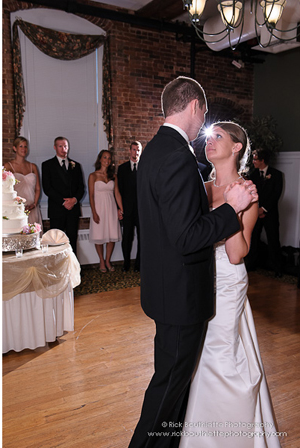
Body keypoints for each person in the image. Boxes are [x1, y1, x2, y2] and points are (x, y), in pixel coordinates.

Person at [130, 76, 257, 448]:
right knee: (166, 392)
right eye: (203, 113)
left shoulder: (155, 150)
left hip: (168, 288)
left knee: (174, 389)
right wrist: (231, 209)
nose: (204, 124)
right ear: (194, 107)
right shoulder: (177, 156)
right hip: (181, 295)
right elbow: (186, 237)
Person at [181, 122, 281, 447]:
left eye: (218, 136)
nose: (209, 142)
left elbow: (237, 254)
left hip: (226, 281)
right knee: (194, 356)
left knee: (218, 355)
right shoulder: (202, 187)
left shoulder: (248, 192)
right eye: (208, 137)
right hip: (196, 277)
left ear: (237, 147)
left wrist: (235, 208)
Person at [41, 137, 85, 256]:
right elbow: (47, 188)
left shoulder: (76, 165)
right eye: (60, 146)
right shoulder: (47, 165)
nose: (63, 149)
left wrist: (74, 200)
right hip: (57, 209)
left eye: (65, 146)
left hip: (73, 210)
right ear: (55, 147)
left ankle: (73, 270)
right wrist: (63, 202)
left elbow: (81, 187)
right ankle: (57, 270)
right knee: (56, 242)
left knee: (72, 241)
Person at [246, 148, 284, 277]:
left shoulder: (277, 175)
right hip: (255, 213)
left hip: (270, 214)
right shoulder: (253, 175)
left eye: (255, 159)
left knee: (273, 239)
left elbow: (276, 194)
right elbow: (250, 193)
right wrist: (256, 209)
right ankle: (251, 264)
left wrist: (264, 209)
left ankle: (277, 268)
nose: (253, 162)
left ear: (262, 160)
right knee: (254, 238)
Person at [88, 149, 122, 272]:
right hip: (99, 209)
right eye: (104, 157)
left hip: (111, 208)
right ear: (100, 159)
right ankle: (101, 261)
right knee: (99, 235)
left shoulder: (113, 176)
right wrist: (94, 212)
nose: (107, 160)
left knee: (112, 235)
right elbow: (91, 196)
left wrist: (121, 209)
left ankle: (108, 260)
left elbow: (117, 193)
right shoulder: (93, 176)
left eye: (109, 158)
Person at [3, 136, 43, 226]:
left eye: (25, 146)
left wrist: (34, 204)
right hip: (17, 209)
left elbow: (37, 189)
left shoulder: (33, 166)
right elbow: (5, 189)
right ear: (15, 148)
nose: (24, 149)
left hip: (32, 208)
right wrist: (16, 205)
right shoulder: (8, 166)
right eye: (21, 146)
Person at [117, 141, 142, 272]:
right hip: (126, 210)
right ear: (129, 151)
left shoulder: (145, 167)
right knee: (127, 238)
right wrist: (118, 208)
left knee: (142, 239)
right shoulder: (122, 169)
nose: (135, 152)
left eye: (138, 150)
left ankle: (138, 264)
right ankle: (126, 263)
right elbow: (118, 190)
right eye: (133, 150)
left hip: (142, 211)